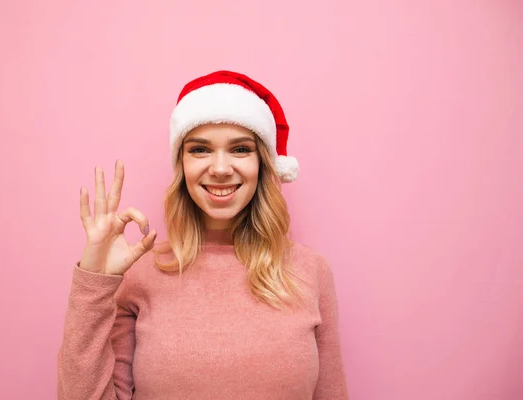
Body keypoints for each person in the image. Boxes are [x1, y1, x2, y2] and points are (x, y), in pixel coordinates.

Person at [57, 70, 349, 399]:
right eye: (200, 150)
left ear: (263, 164)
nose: (221, 168)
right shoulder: (140, 273)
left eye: (240, 149)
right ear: (181, 164)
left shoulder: (311, 271)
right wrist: (94, 281)